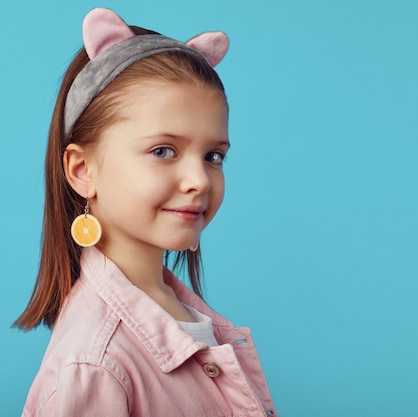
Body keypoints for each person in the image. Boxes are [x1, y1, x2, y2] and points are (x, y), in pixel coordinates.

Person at [14, 7, 278, 417]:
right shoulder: (95, 365)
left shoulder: (182, 312)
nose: (200, 180)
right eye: (162, 151)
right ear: (83, 171)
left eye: (213, 156)